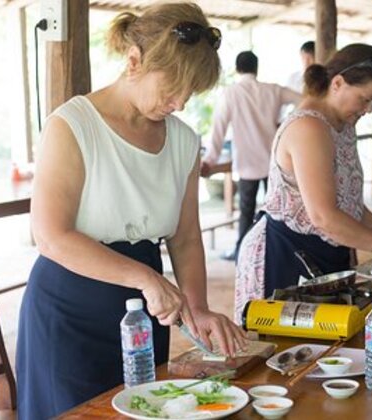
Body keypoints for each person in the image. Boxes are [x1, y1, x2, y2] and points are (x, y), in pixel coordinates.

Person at [15, 4, 246, 418]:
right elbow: (51, 236)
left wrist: (197, 307)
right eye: (172, 88)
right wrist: (144, 277)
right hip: (71, 306)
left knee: (140, 408)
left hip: (144, 311)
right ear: (134, 60)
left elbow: (186, 236)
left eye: (190, 93)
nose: (179, 103)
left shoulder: (182, 141)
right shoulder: (73, 125)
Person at [235, 44, 372, 321]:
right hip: (287, 254)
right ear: (337, 83)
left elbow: (343, 195)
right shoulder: (309, 128)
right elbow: (324, 216)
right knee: (290, 355)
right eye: (365, 99)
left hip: (322, 253)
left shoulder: (343, 124)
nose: (369, 110)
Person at [200, 51, 301, 260]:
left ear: (237, 69)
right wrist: (287, 125)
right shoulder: (273, 90)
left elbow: (218, 129)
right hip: (274, 162)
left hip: (247, 164)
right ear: (256, 68)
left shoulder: (231, 93)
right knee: (278, 211)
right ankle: (277, 253)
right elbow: (304, 100)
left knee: (246, 213)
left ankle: (243, 254)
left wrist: (210, 159)